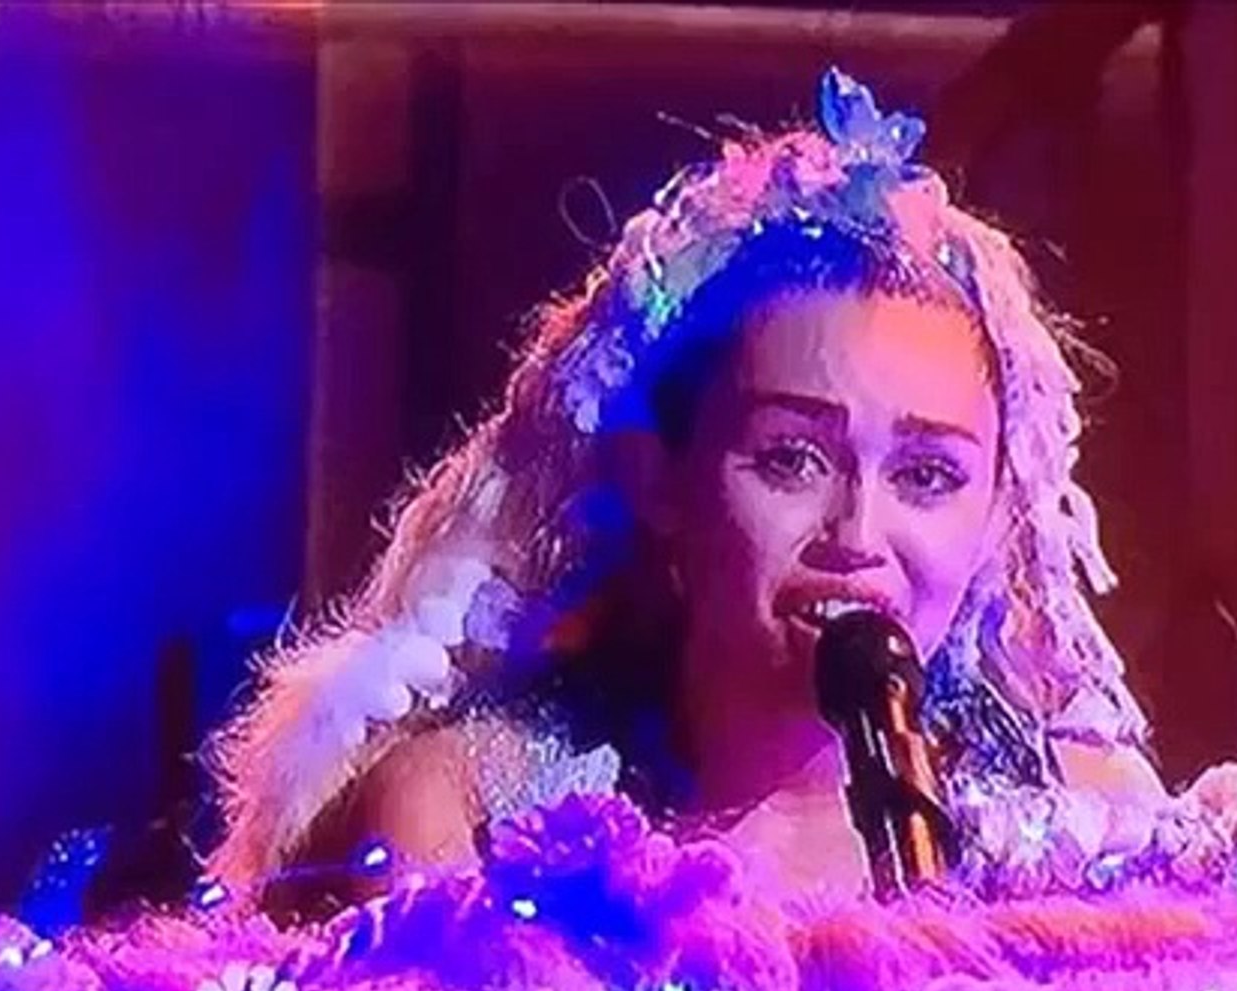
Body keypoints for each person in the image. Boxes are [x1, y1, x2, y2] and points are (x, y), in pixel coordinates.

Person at [205, 70, 1165, 914]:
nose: (858, 534)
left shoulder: (1088, 831)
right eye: (791, 458)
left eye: (927, 475)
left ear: (996, 518)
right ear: (659, 479)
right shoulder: (464, 820)